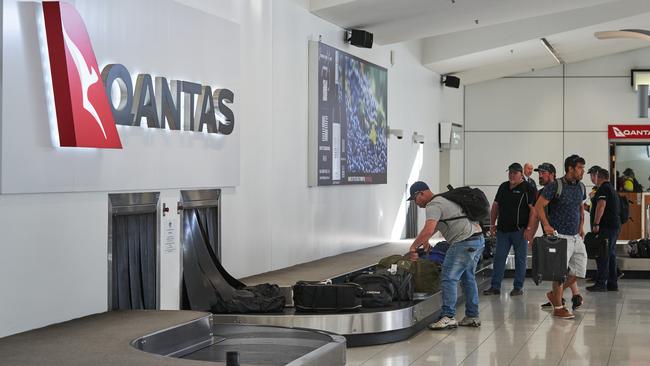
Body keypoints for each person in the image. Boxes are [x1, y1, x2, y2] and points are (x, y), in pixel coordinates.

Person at [406, 181, 485, 330]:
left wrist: (414, 245)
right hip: (478, 239)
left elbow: (429, 229)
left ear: (421, 193)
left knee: (448, 277)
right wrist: (426, 239)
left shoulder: (433, 205)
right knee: (468, 278)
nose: (416, 203)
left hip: (464, 241)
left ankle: (448, 316)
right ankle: (472, 316)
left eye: (415, 199)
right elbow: (438, 225)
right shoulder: (445, 199)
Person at [534, 155, 588, 319]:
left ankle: (553, 294)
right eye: (579, 168)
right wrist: (547, 226)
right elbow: (539, 206)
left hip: (575, 236)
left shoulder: (581, 187)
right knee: (559, 273)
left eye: (583, 168)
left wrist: (581, 227)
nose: (582, 171)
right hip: (560, 236)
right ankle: (558, 307)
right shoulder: (555, 186)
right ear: (570, 169)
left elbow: (580, 207)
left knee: (579, 271)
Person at [483, 163, 534, 296]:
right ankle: (495, 286)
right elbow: (495, 206)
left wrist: (529, 228)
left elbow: (533, 210)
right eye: (510, 173)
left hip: (520, 231)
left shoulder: (527, 188)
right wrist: (492, 224)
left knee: (520, 259)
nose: (511, 175)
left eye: (514, 173)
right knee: (499, 258)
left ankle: (518, 287)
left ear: (521, 174)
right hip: (503, 231)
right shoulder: (503, 187)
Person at [586, 168, 622, 292]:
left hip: (607, 227)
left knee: (603, 255)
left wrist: (596, 223)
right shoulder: (611, 188)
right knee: (610, 254)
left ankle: (601, 283)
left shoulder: (603, 188)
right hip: (614, 226)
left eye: (592, 175)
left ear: (597, 176)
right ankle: (612, 283)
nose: (592, 178)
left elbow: (601, 205)